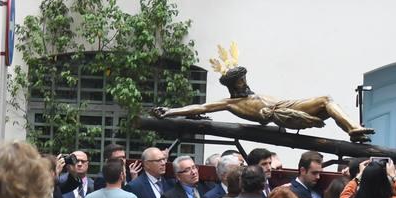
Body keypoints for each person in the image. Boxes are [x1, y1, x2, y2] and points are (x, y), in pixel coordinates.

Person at [153, 64, 374, 141]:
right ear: (233, 85)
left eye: (244, 79)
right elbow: (202, 107)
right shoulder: (231, 103)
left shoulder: (253, 94)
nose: (245, 83)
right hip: (284, 112)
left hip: (290, 105)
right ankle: (353, 128)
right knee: (326, 100)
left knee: (327, 102)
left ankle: (353, 130)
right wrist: (171, 111)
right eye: (240, 81)